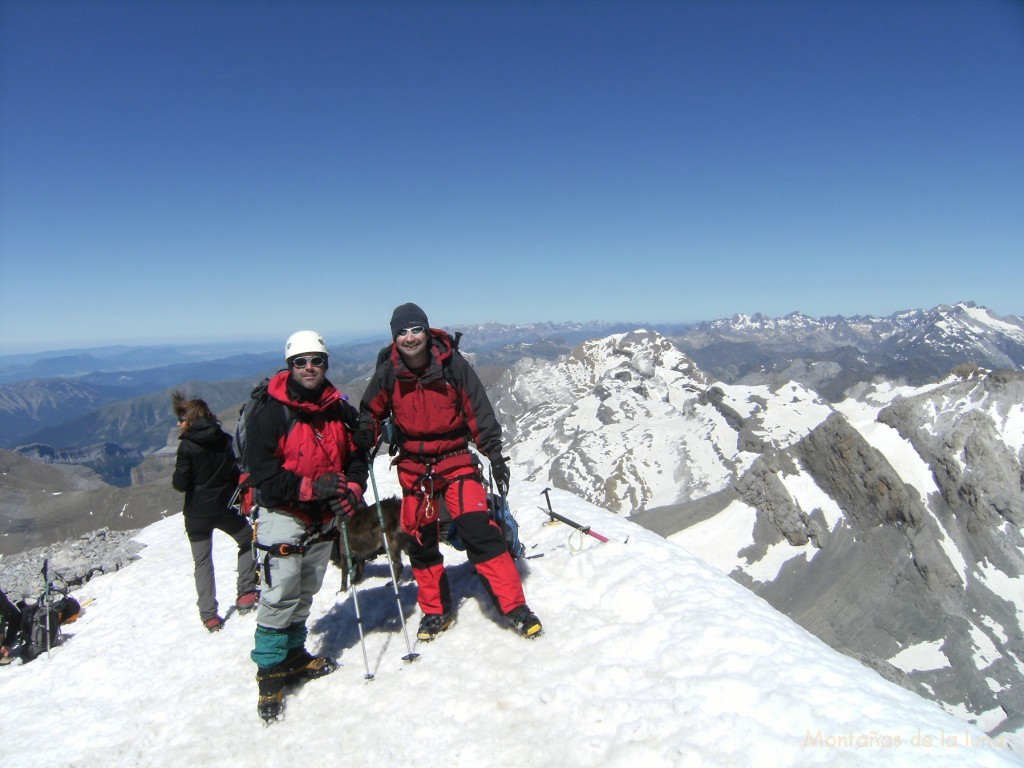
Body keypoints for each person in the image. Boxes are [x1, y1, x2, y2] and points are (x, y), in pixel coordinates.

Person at [359, 303, 542, 641]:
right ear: (394, 337)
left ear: (427, 331)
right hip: (414, 467)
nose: (410, 337)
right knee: (421, 540)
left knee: (478, 529)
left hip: (455, 460)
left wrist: (494, 454)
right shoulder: (388, 373)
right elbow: (370, 410)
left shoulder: (452, 365)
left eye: (416, 330)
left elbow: (478, 410)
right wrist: (366, 432)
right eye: (403, 332)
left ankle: (515, 606)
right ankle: (434, 611)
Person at [244, 330, 369, 723]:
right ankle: (269, 675)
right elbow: (262, 474)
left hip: (322, 518)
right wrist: (310, 488)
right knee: (279, 595)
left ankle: (294, 656)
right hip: (284, 515)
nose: (309, 367)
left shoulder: (336, 408)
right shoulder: (270, 411)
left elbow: (355, 455)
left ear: (325, 364)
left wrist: (352, 485)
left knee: (304, 592)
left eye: (316, 360)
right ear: (290, 367)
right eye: (301, 362)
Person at [172, 392, 259, 633]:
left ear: (190, 419)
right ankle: (246, 592)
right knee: (246, 540)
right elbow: (234, 472)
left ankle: (209, 615)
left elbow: (180, 483)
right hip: (223, 508)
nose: (178, 424)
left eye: (180, 419)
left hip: (196, 514)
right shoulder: (224, 439)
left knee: (202, 561)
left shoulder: (187, 446)